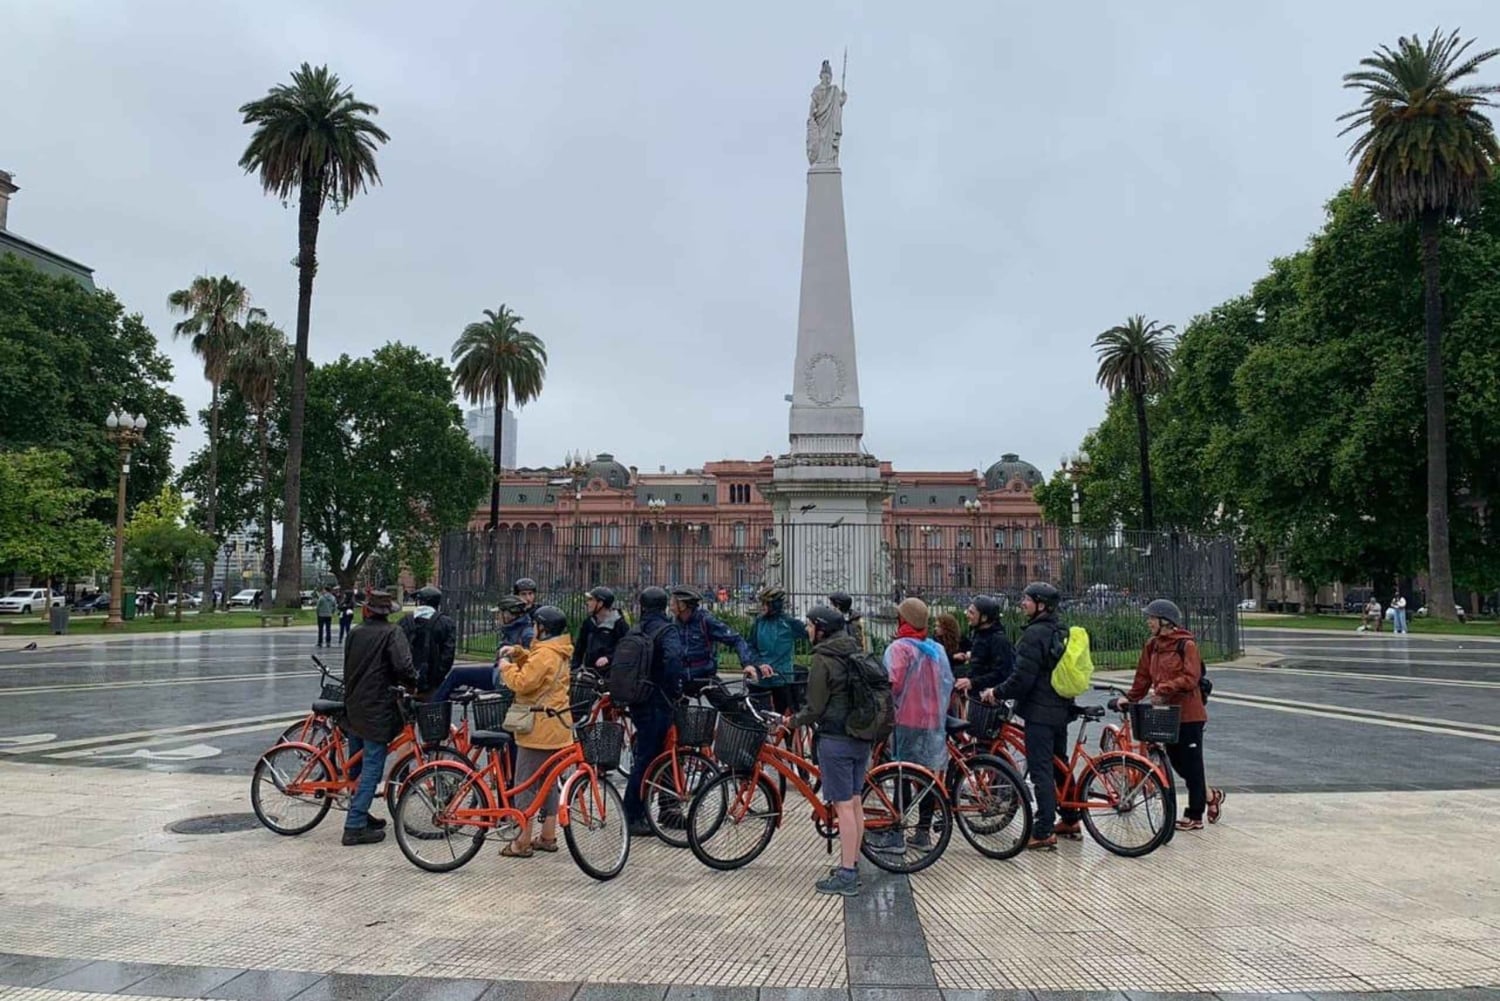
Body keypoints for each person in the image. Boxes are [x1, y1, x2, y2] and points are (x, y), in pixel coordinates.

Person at [981, 581, 1077, 851]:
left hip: (1040, 710)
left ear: (1041, 605)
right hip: (1061, 706)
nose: (1022, 603)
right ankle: (1071, 818)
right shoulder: (1061, 629)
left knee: (1041, 770)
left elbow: (1022, 678)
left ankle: (1044, 829)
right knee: (1060, 764)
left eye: (1027, 599)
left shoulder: (1035, 634)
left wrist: (997, 692)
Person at [1121, 599, 1225, 831]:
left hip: (1189, 713)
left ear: (1165, 622)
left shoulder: (1186, 645)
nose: (1148, 622)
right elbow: (1143, 676)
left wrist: (1164, 689)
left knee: (1193, 765)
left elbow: (1191, 677)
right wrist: (1130, 698)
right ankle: (1210, 796)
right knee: (1177, 764)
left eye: (1151, 618)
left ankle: (1195, 815)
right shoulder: (1153, 645)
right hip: (1167, 714)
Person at [789, 604, 868, 896]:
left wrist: (792, 721)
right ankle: (853, 861)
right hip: (861, 735)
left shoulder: (823, 659)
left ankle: (847, 874)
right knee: (855, 802)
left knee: (843, 805)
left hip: (836, 737)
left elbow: (816, 706)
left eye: (810, 625)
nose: (807, 630)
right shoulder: (854, 648)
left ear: (821, 628)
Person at [340, 589, 417, 845]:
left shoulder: (355, 632)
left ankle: (358, 810)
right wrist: (413, 683)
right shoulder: (392, 633)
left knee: (357, 763)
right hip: (378, 707)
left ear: (367, 610)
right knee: (373, 765)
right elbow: (404, 666)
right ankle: (354, 825)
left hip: (354, 705)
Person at [877, 598, 953, 853]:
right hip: (932, 720)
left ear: (902, 620)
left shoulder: (899, 648)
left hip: (906, 719)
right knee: (928, 775)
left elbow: (892, 683)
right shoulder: (935, 649)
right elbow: (946, 682)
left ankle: (897, 834)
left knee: (902, 775)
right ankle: (922, 831)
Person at [498, 605, 574, 858]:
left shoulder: (545, 655)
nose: (532, 629)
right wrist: (519, 654)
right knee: (548, 783)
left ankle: (521, 841)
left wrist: (506, 667)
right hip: (558, 727)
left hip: (537, 729)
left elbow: (524, 683)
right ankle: (548, 835)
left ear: (543, 628)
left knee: (525, 784)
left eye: (535, 625)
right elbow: (538, 670)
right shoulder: (558, 650)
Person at [624, 586, 686, 836]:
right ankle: (633, 814)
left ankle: (661, 808)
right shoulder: (667, 630)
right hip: (658, 701)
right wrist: (675, 688)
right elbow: (673, 660)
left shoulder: (636, 629)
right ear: (662, 607)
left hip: (637, 699)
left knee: (651, 755)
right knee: (648, 759)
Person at [670, 585, 754, 693]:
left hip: (705, 677)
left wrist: (747, 664)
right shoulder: (672, 622)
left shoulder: (705, 621)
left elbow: (736, 639)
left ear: (682, 605)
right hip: (681, 678)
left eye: (673, 602)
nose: (670, 605)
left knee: (729, 706)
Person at [743, 586, 808, 713]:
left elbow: (811, 635)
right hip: (761, 677)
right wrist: (759, 663)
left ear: (775, 605)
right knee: (758, 716)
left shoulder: (789, 623)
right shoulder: (759, 622)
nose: (762, 606)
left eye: (766, 603)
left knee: (782, 717)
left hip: (782, 678)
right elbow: (750, 646)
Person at [400, 586, 457, 699]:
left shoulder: (404, 622)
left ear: (420, 602)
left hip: (406, 684)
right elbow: (448, 655)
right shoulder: (446, 623)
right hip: (434, 685)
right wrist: (437, 677)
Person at [956, 595, 1015, 701]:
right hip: (977, 695)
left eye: (972, 612)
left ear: (984, 618)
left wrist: (973, 682)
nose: (967, 615)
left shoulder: (998, 640)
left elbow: (1002, 673)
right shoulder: (979, 634)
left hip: (989, 700)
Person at [572, 586, 631, 676]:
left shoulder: (619, 624)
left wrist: (609, 658)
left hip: (610, 675)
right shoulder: (588, 623)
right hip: (589, 673)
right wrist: (574, 668)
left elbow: (625, 648)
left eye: (591, 600)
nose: (587, 603)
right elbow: (580, 647)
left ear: (600, 603)